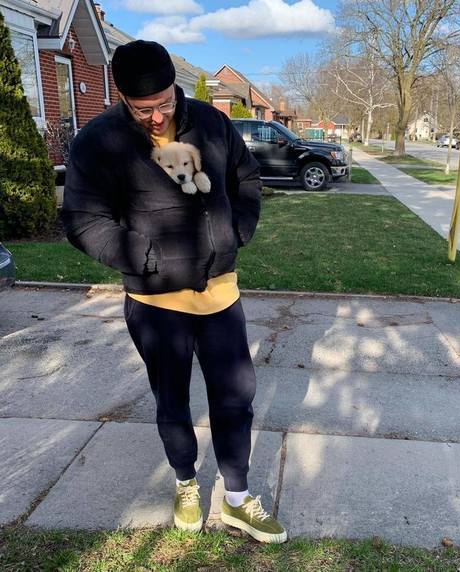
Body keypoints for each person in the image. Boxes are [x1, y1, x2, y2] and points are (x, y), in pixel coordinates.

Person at [61, 40, 286, 544]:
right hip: (155, 304)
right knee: (172, 402)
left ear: (174, 88)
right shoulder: (98, 141)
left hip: (220, 295)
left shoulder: (211, 123)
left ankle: (236, 499)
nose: (158, 117)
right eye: (144, 109)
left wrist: (237, 231)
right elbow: (82, 220)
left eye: (165, 102)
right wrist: (145, 259)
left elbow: (246, 178)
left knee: (236, 397)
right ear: (122, 97)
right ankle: (186, 482)